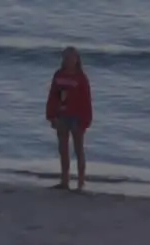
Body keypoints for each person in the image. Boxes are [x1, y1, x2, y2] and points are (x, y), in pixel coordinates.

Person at [46, 46, 93, 191]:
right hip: (62, 115)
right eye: (66, 58)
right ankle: (64, 180)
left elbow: (86, 100)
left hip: (77, 117)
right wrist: (51, 115)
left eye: (71, 58)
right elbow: (53, 96)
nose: (68, 61)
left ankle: (80, 182)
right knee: (63, 149)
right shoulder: (59, 75)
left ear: (77, 60)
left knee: (78, 149)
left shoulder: (80, 77)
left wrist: (85, 121)